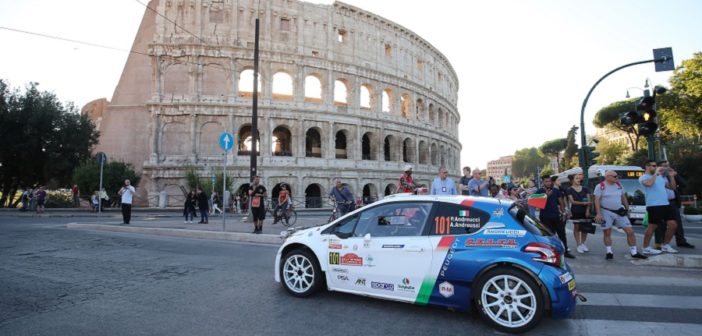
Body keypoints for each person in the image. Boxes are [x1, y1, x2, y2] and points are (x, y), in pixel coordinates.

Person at [594, 170, 648, 260]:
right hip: (606, 211)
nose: (617, 178)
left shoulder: (619, 185)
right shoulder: (600, 186)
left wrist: (627, 209)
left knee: (630, 231)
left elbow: (623, 197)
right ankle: (609, 252)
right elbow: (597, 200)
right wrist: (599, 214)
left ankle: (634, 252)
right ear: (608, 177)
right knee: (607, 232)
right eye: (615, 176)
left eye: (617, 176)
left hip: (619, 212)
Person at [639, 160, 678, 254]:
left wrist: (672, 176)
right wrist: (656, 173)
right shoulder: (643, 177)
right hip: (654, 205)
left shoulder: (660, 177)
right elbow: (649, 184)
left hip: (665, 204)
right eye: (653, 166)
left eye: (656, 166)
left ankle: (665, 245)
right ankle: (645, 247)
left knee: (673, 225)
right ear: (647, 167)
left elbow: (673, 188)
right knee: (652, 227)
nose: (655, 167)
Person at [536, 176, 575, 259]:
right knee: (549, 235)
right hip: (545, 217)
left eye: (549, 181)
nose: (548, 183)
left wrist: (564, 212)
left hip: (556, 216)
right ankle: (551, 252)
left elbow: (561, 202)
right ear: (543, 182)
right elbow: (536, 205)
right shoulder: (539, 191)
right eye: (546, 181)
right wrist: (545, 196)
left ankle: (565, 251)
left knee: (562, 234)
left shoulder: (556, 191)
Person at [658, 160, 694, 248]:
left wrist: (675, 175)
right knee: (662, 224)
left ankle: (681, 241)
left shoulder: (670, 175)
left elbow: (684, 184)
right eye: (664, 166)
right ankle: (662, 243)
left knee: (678, 223)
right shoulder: (657, 177)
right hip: (661, 203)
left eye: (668, 166)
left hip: (672, 202)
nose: (667, 168)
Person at [566, 173, 591, 254]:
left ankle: (583, 243)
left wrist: (587, 210)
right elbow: (572, 201)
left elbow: (589, 201)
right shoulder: (569, 189)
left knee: (585, 228)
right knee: (577, 227)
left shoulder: (585, 189)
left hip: (585, 211)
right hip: (576, 211)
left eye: (579, 178)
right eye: (576, 178)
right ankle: (578, 244)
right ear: (572, 180)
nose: (579, 179)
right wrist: (583, 203)